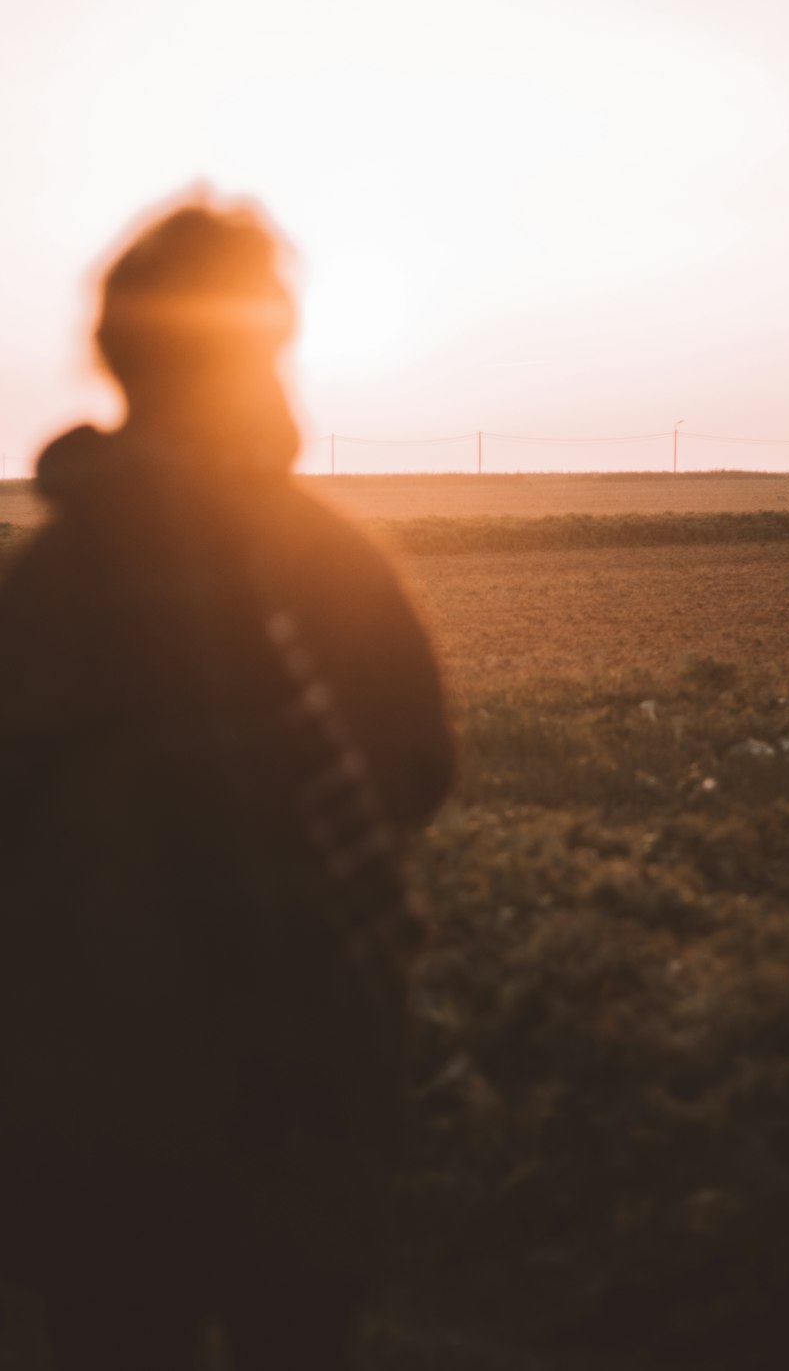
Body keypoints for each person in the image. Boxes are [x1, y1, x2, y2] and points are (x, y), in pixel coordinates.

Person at [0, 193, 454, 1369]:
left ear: (117, 361)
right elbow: (416, 776)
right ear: (266, 356)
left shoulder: (41, 591)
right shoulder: (335, 566)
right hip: (299, 1113)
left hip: (86, 1145)